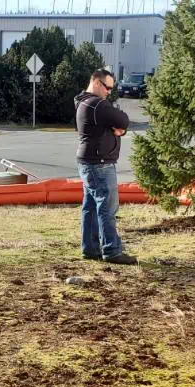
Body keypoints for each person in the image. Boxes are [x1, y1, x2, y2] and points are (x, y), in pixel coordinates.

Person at [74, 69, 137, 265]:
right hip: (99, 164)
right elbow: (123, 120)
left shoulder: (83, 102)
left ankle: (90, 248)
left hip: (89, 162)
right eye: (107, 87)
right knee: (107, 207)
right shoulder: (97, 104)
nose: (109, 92)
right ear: (96, 82)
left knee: (91, 207)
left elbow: (118, 125)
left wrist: (119, 130)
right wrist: (120, 127)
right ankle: (112, 250)